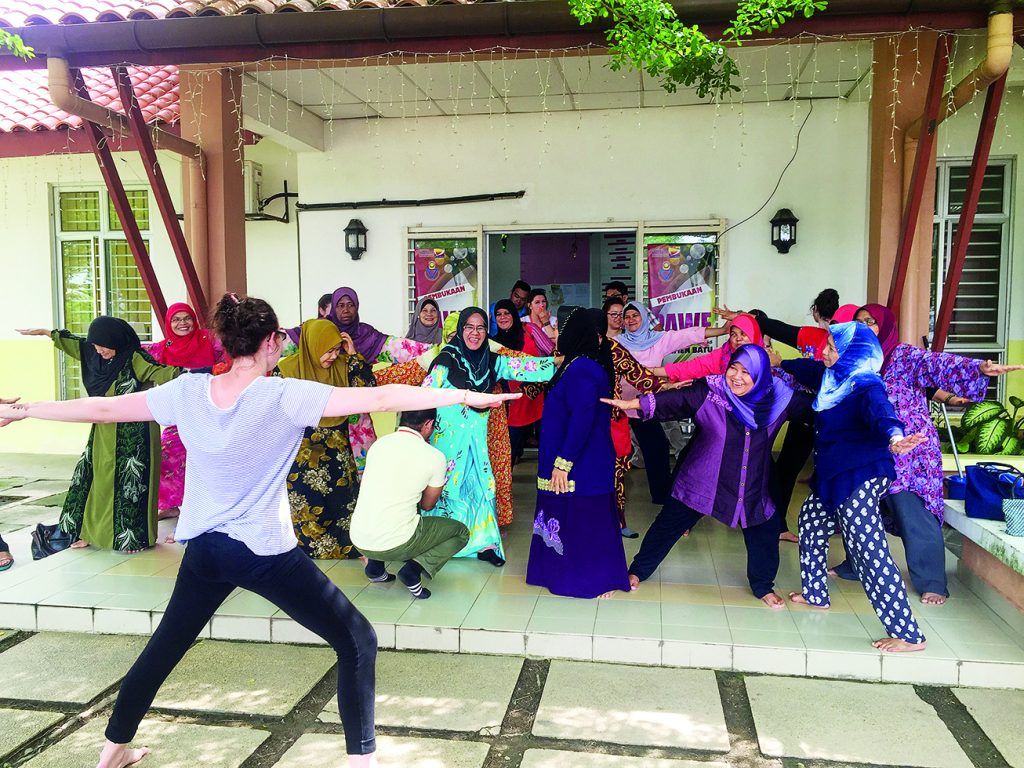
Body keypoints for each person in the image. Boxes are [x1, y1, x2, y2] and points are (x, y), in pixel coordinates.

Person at [0, 294, 517, 768]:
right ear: (270, 342)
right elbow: (381, 399)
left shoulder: (188, 391)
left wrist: (22, 411)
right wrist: (464, 398)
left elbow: (104, 408)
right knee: (357, 639)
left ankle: (111, 751)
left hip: (203, 549)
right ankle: (363, 760)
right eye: (281, 340)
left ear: (226, 343)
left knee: (165, 646)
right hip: (264, 552)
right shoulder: (286, 395)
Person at [827, 304, 1023, 605]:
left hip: (909, 453)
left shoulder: (903, 356)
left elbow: (938, 364)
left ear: (886, 326)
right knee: (862, 511)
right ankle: (856, 566)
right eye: (859, 322)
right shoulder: (857, 359)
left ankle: (932, 581)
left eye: (871, 322)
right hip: (869, 447)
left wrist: (977, 369)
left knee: (912, 512)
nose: (865, 327)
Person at [606, 345, 813, 608]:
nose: (736, 377)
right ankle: (638, 571)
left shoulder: (780, 399)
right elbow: (676, 401)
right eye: (733, 369)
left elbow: (820, 412)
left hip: (750, 485)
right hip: (701, 481)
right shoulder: (711, 392)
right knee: (668, 525)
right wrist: (633, 404)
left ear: (761, 376)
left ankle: (763, 586)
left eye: (746, 372)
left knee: (765, 530)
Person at [780, 322, 928, 652]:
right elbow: (809, 366)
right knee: (811, 522)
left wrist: (895, 438)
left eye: (833, 348)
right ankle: (816, 595)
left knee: (868, 549)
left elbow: (882, 414)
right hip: (834, 472)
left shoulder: (866, 385)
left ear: (853, 354)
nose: (825, 352)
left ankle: (908, 633)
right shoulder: (833, 376)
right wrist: (781, 362)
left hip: (860, 473)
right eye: (828, 346)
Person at [17, 319, 184, 553]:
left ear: (116, 340)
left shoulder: (136, 358)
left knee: (130, 485)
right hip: (104, 430)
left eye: (104, 345)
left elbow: (168, 374)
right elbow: (74, 344)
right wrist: (46, 332)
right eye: (96, 346)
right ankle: (91, 533)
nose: (99, 350)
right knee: (95, 480)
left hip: (136, 435)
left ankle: (131, 538)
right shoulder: (94, 355)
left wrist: (209, 376)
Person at [423, 307, 556, 565]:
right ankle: (441, 544)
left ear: (487, 331)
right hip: (447, 446)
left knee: (481, 489)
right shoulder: (445, 360)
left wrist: (562, 362)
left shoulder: (492, 360)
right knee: (449, 491)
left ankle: (484, 546)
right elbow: (423, 395)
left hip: (477, 443)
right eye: (469, 327)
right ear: (460, 331)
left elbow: (527, 367)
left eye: (481, 327)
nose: (475, 333)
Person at [526, 308, 630, 599]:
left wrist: (563, 463)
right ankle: (559, 574)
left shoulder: (583, 367)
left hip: (581, 461)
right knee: (565, 515)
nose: (558, 335)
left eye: (563, 329)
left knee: (584, 518)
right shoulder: (575, 364)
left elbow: (582, 417)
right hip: (569, 457)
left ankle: (595, 581)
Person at [277, 319, 376, 560]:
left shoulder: (343, 366)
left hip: (338, 451)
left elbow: (368, 389)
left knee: (342, 500)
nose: (333, 356)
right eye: (328, 350)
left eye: (336, 349)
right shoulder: (287, 370)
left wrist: (352, 356)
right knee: (306, 501)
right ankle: (307, 549)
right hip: (302, 452)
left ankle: (346, 547)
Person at [616, 301, 728, 508]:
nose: (631, 319)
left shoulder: (658, 340)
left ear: (644, 318)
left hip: (644, 405)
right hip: (616, 405)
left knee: (656, 448)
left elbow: (688, 334)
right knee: (613, 451)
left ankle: (661, 496)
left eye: (635, 315)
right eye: (627, 316)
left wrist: (722, 330)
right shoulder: (615, 342)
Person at [352, 408, 469, 600]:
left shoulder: (379, 444)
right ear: (428, 424)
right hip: (395, 543)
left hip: (359, 538)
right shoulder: (434, 456)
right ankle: (413, 571)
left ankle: (375, 568)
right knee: (460, 532)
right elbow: (428, 505)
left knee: (390, 503)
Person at [326, 287, 436, 471]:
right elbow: (288, 341)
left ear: (358, 307)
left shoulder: (366, 336)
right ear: (333, 309)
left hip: (357, 417)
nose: (346, 310)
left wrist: (444, 350)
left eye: (351, 305)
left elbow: (400, 348)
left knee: (368, 471)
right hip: (326, 415)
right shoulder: (320, 334)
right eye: (340, 305)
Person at [589, 308, 664, 538]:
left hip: (613, 421)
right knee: (586, 475)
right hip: (584, 425)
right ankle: (587, 523)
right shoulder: (571, 351)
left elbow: (640, 376)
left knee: (616, 475)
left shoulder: (613, 349)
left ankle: (618, 522)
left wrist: (669, 389)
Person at [146, 303, 222, 521]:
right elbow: (132, 351)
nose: (182, 323)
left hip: (210, 410)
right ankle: (170, 505)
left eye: (187, 318)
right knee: (167, 454)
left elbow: (230, 355)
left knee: (205, 457)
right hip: (178, 412)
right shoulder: (162, 349)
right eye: (176, 319)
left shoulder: (210, 340)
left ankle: (205, 504)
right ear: (168, 324)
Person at [493, 298, 548, 465]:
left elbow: (550, 350)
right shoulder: (494, 342)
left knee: (546, 446)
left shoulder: (529, 329)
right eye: (498, 314)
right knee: (510, 449)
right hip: (511, 401)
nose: (502, 317)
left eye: (506, 313)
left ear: (514, 315)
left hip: (535, 394)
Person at [524, 289, 558, 354]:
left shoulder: (554, 320)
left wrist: (546, 322)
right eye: (537, 302)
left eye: (544, 301)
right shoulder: (523, 321)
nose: (542, 305)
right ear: (530, 306)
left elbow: (557, 342)